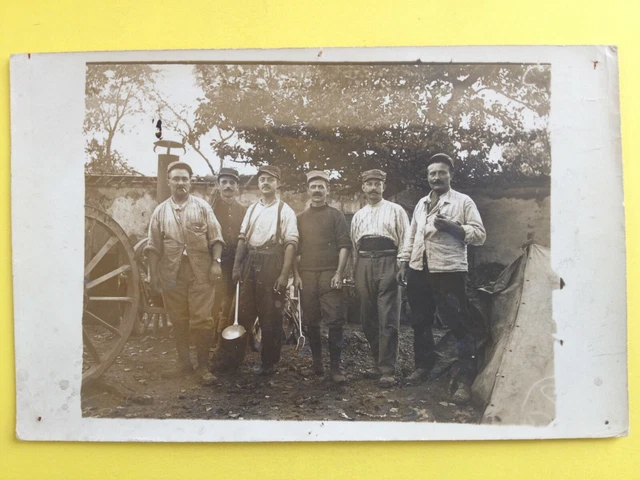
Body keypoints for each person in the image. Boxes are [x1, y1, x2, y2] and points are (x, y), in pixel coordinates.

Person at [397, 153, 486, 403]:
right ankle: (423, 366)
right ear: (427, 177)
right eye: (432, 174)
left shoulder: (463, 202)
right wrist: (404, 262)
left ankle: (464, 379)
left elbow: (480, 235)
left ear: (451, 175)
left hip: (449, 271)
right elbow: (412, 235)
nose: (436, 177)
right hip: (419, 269)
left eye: (441, 172)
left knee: (458, 323)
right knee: (420, 321)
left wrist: (453, 228)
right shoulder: (421, 204)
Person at [145, 161, 225, 386]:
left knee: (202, 319)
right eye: (176, 179)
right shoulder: (160, 212)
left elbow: (216, 239)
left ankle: (203, 367)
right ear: (169, 181)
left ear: (190, 182)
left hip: (201, 272)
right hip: (171, 273)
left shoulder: (202, 207)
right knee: (178, 320)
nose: (180, 183)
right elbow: (152, 247)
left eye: (184, 179)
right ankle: (184, 366)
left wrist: (216, 263)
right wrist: (152, 276)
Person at [231, 165, 299, 376]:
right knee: (243, 311)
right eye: (262, 180)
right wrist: (236, 266)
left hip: (272, 263)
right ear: (258, 184)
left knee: (271, 315)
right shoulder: (252, 209)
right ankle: (234, 360)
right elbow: (242, 239)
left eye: (270, 179)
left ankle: (269, 363)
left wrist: (283, 274)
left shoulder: (285, 210)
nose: (266, 183)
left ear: (277, 183)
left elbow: (290, 244)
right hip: (251, 262)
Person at [350, 169, 410, 388]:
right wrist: (354, 270)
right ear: (363, 188)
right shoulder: (359, 215)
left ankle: (387, 370)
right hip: (364, 263)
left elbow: (405, 239)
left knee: (387, 317)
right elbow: (354, 246)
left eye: (377, 184)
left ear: (384, 186)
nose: (373, 188)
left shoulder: (396, 211)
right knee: (367, 318)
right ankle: (377, 362)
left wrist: (402, 265)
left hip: (388, 261)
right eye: (369, 184)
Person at [293, 170, 351, 384]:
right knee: (310, 321)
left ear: (327, 190)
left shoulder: (336, 215)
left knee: (334, 320)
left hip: (329, 274)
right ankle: (317, 364)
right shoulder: (299, 218)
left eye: (321, 187)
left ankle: (335, 368)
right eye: (313, 187)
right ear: (308, 190)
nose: (317, 191)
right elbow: (293, 249)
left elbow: (345, 246)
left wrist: (339, 273)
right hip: (306, 274)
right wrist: (296, 275)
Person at [209, 168, 246, 351]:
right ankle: (209, 342)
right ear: (218, 186)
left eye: (232, 183)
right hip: (215, 263)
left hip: (235, 265)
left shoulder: (244, 211)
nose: (228, 186)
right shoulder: (210, 209)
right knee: (214, 302)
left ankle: (224, 343)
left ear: (237, 187)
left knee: (231, 303)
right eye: (224, 182)